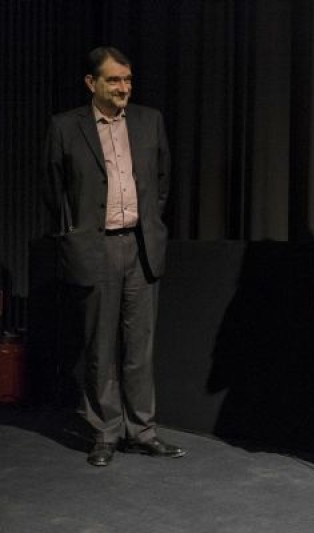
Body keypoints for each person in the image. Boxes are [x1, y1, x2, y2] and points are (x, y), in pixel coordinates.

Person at [43, 47, 185, 466]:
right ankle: (106, 431)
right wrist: (73, 234)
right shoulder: (65, 127)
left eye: (128, 79)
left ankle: (142, 431)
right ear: (92, 83)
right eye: (114, 80)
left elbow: (162, 180)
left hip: (140, 245)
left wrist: (150, 221)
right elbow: (53, 189)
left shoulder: (149, 120)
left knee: (140, 346)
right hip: (96, 246)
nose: (124, 87)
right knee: (100, 346)